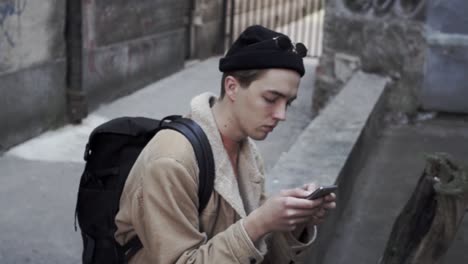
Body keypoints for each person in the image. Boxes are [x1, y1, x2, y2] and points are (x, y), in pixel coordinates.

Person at [115, 25, 336, 264]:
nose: (281, 114)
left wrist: (295, 221)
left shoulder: (248, 152)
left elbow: (256, 253)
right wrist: (259, 222)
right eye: (271, 99)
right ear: (232, 87)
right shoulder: (171, 160)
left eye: (288, 103)